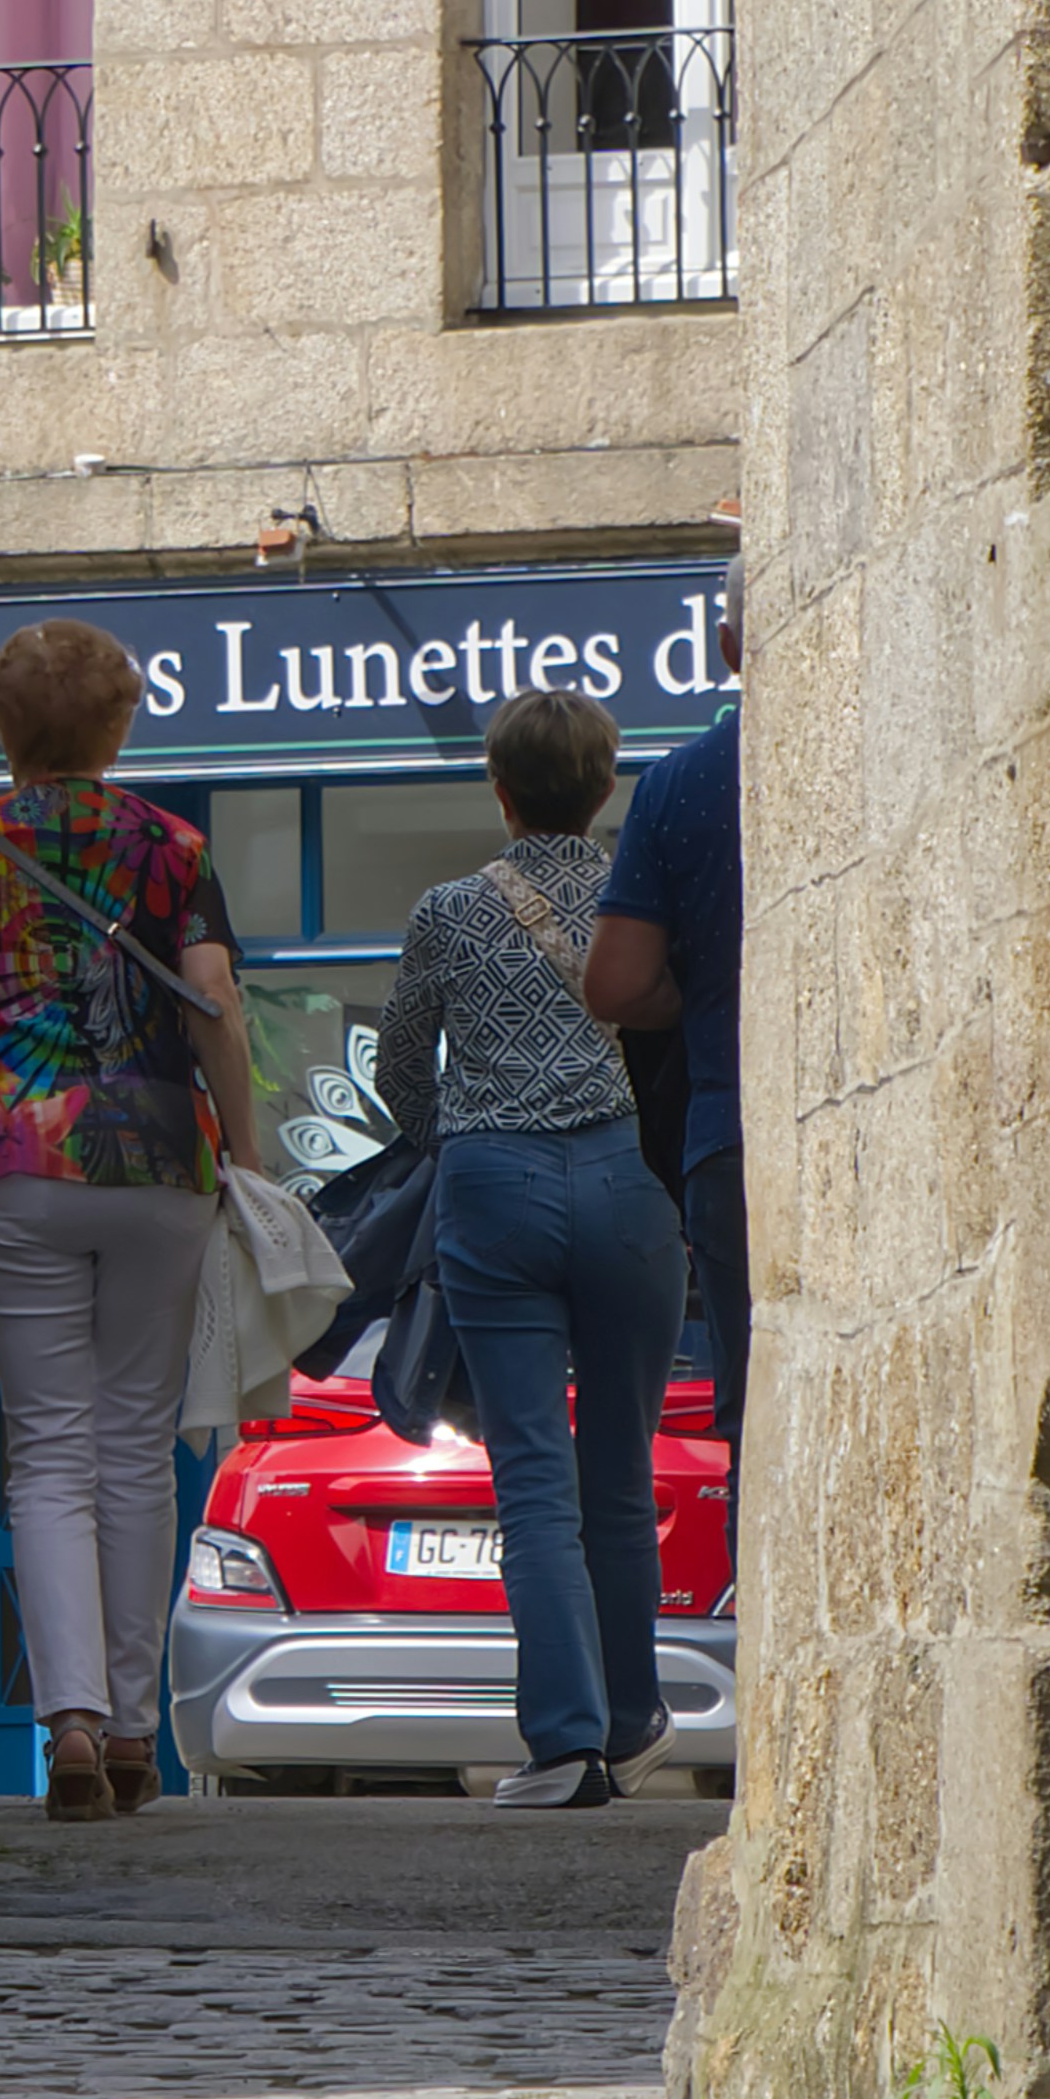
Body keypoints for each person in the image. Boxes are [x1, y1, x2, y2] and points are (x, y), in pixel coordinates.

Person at [0, 619, 280, 1822]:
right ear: (118, 723)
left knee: (49, 1445)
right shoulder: (171, 845)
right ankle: (138, 1727)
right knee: (136, 1442)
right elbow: (211, 998)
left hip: (8, 1160)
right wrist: (244, 1152)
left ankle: (69, 1723)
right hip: (157, 1159)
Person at [379, 689, 688, 1809]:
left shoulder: (449, 910)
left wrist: (456, 1141)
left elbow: (400, 1064)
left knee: (532, 1476)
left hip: (493, 1188)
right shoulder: (640, 896)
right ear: (604, 787)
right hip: (629, 1185)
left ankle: (564, 1746)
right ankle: (634, 1715)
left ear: (499, 791)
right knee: (621, 1464)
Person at [589, 575, 750, 1443]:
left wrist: (706, 1003)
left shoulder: (679, 785)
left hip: (729, 1132)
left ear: (727, 647)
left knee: (751, 1411)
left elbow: (615, 986)